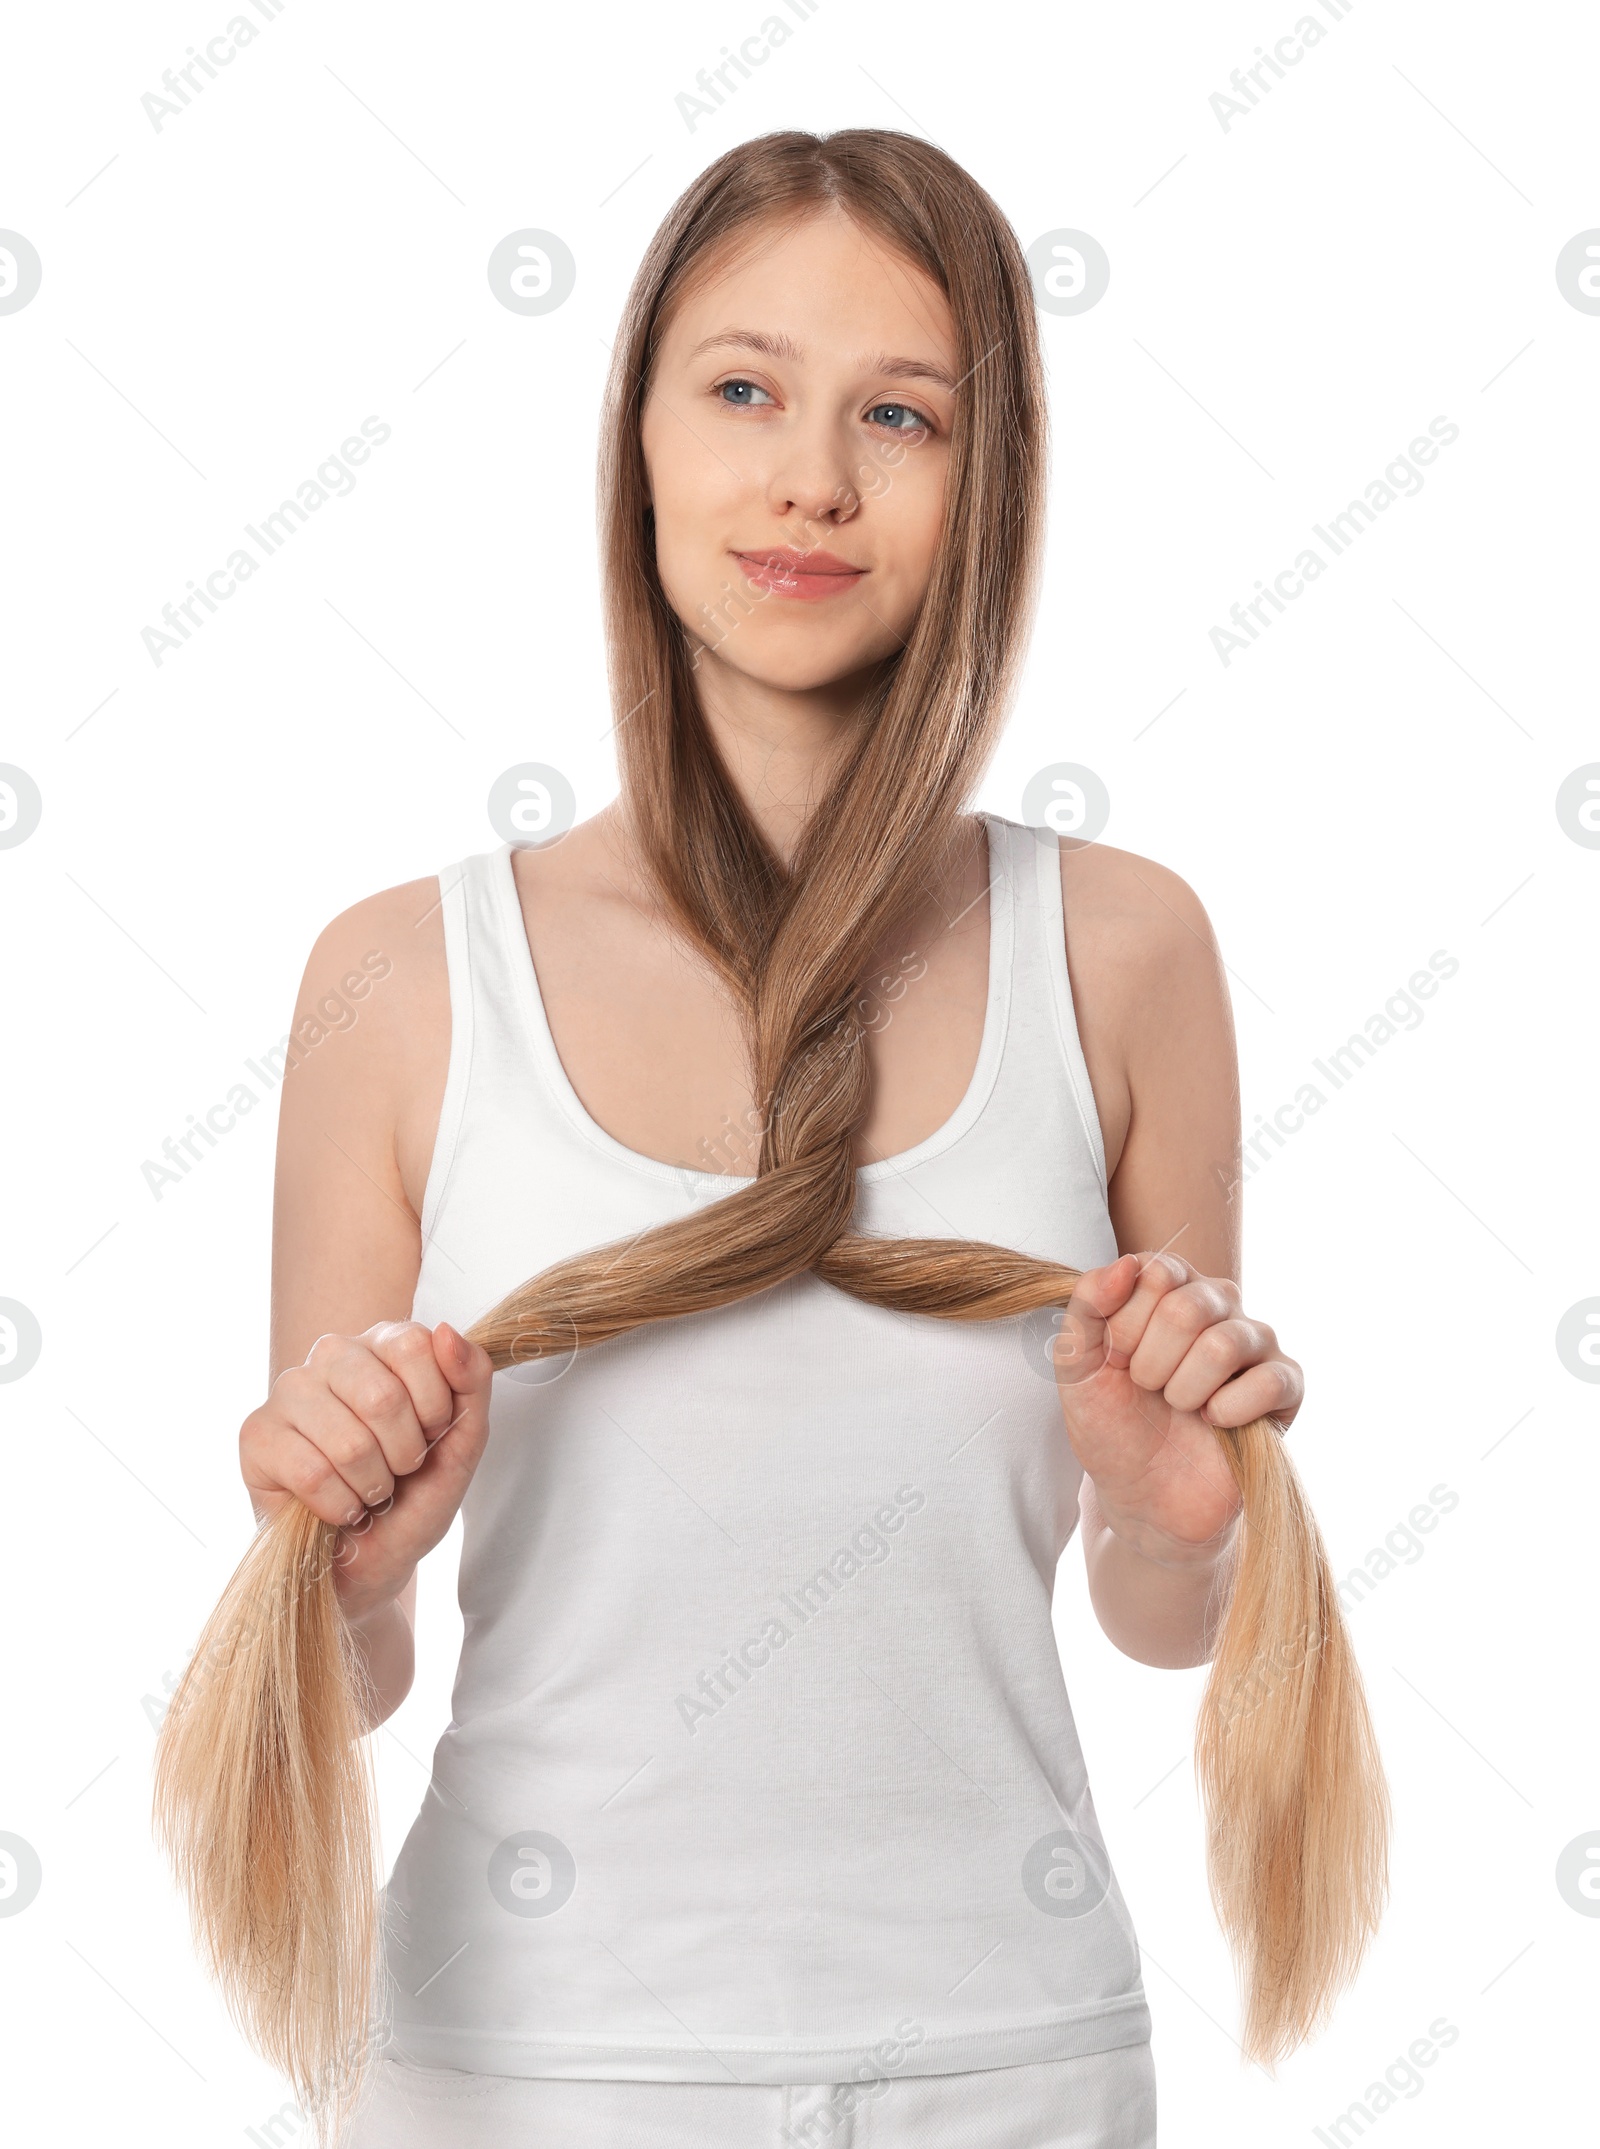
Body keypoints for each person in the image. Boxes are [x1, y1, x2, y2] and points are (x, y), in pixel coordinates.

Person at [243, 131, 1311, 2148]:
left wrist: (1189, 1520)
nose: (809, 478)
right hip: (518, 2072)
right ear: (633, 431)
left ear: (982, 484)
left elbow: (1168, 1617)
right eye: (740, 389)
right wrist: (356, 1578)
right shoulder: (398, 975)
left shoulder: (1123, 946)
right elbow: (334, 1673)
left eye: (896, 415)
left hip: (1010, 2068)